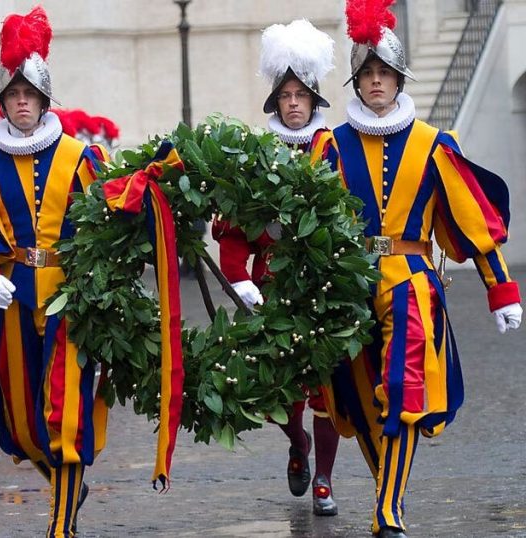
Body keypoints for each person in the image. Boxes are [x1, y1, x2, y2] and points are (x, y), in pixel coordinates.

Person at [322, 2, 522, 536]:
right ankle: (389, 489)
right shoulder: (331, 145)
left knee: (403, 385)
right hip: (346, 282)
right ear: (358, 83)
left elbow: (474, 220)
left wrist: (501, 287)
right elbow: (305, 222)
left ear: (398, 79)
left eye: (384, 74)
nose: (376, 83)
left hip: (411, 280)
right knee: (356, 397)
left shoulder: (436, 145)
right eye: (367, 74)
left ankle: (388, 509)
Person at [0, 7, 108, 535]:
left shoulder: (82, 157)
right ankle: (66, 485)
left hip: (70, 298)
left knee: (65, 409)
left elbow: (107, 225)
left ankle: (61, 523)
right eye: (13, 96)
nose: (21, 103)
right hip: (12, 298)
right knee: (19, 417)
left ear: (44, 99)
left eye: (29, 95)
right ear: (4, 102)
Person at [213, 19, 341, 516]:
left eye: (300, 95)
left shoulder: (334, 149)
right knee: (277, 393)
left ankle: (325, 480)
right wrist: (240, 279)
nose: (292, 102)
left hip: (326, 285)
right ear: (276, 101)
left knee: (326, 390)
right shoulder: (254, 153)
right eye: (284, 95)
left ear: (312, 100)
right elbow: (233, 228)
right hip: (270, 287)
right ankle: (298, 444)